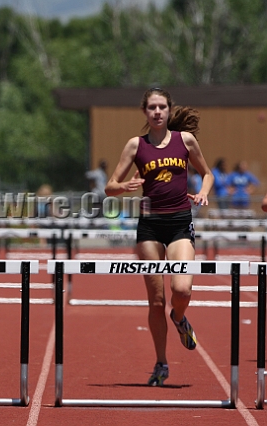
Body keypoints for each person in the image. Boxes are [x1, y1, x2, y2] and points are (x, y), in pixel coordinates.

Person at [104, 88, 213, 387]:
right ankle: (161, 362)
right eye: (151, 107)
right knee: (155, 301)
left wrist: (203, 193)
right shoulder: (135, 145)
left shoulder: (185, 141)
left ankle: (179, 318)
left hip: (179, 223)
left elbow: (208, 173)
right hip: (149, 227)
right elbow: (109, 186)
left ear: (168, 110)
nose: (157, 112)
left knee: (182, 290)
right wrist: (123, 187)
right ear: (145, 112)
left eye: (162, 107)